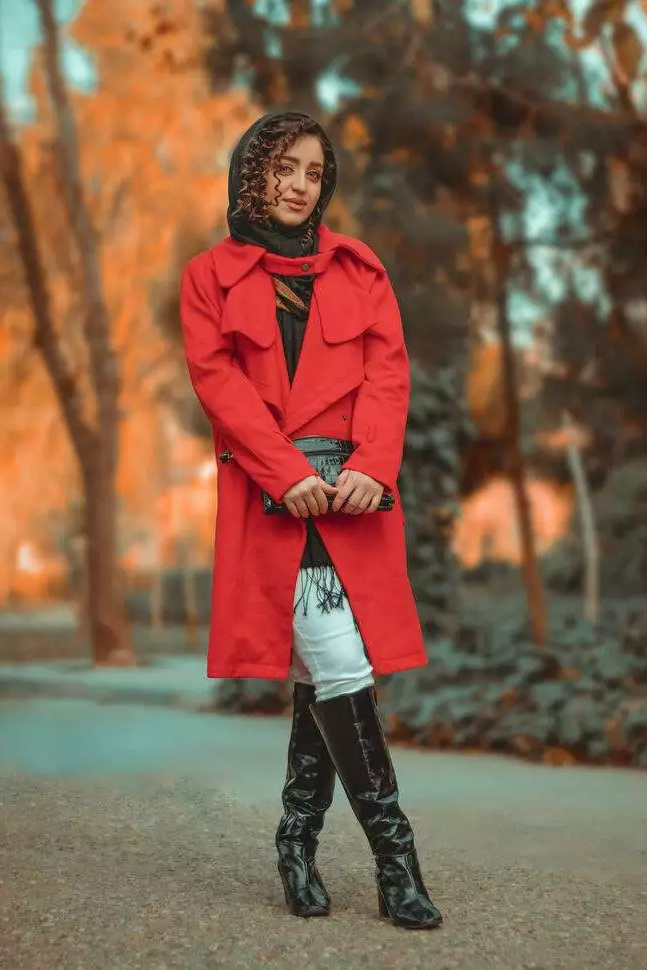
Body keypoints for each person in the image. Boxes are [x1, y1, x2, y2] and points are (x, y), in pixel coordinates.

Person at [180, 111, 442, 931]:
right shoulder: (208, 277)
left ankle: (296, 842)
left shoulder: (360, 268)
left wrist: (372, 465)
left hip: (354, 498)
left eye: (314, 172)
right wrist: (286, 472)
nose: (299, 185)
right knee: (338, 661)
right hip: (272, 497)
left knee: (323, 672)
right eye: (283, 168)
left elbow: (389, 375)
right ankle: (397, 860)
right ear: (250, 173)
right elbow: (217, 384)